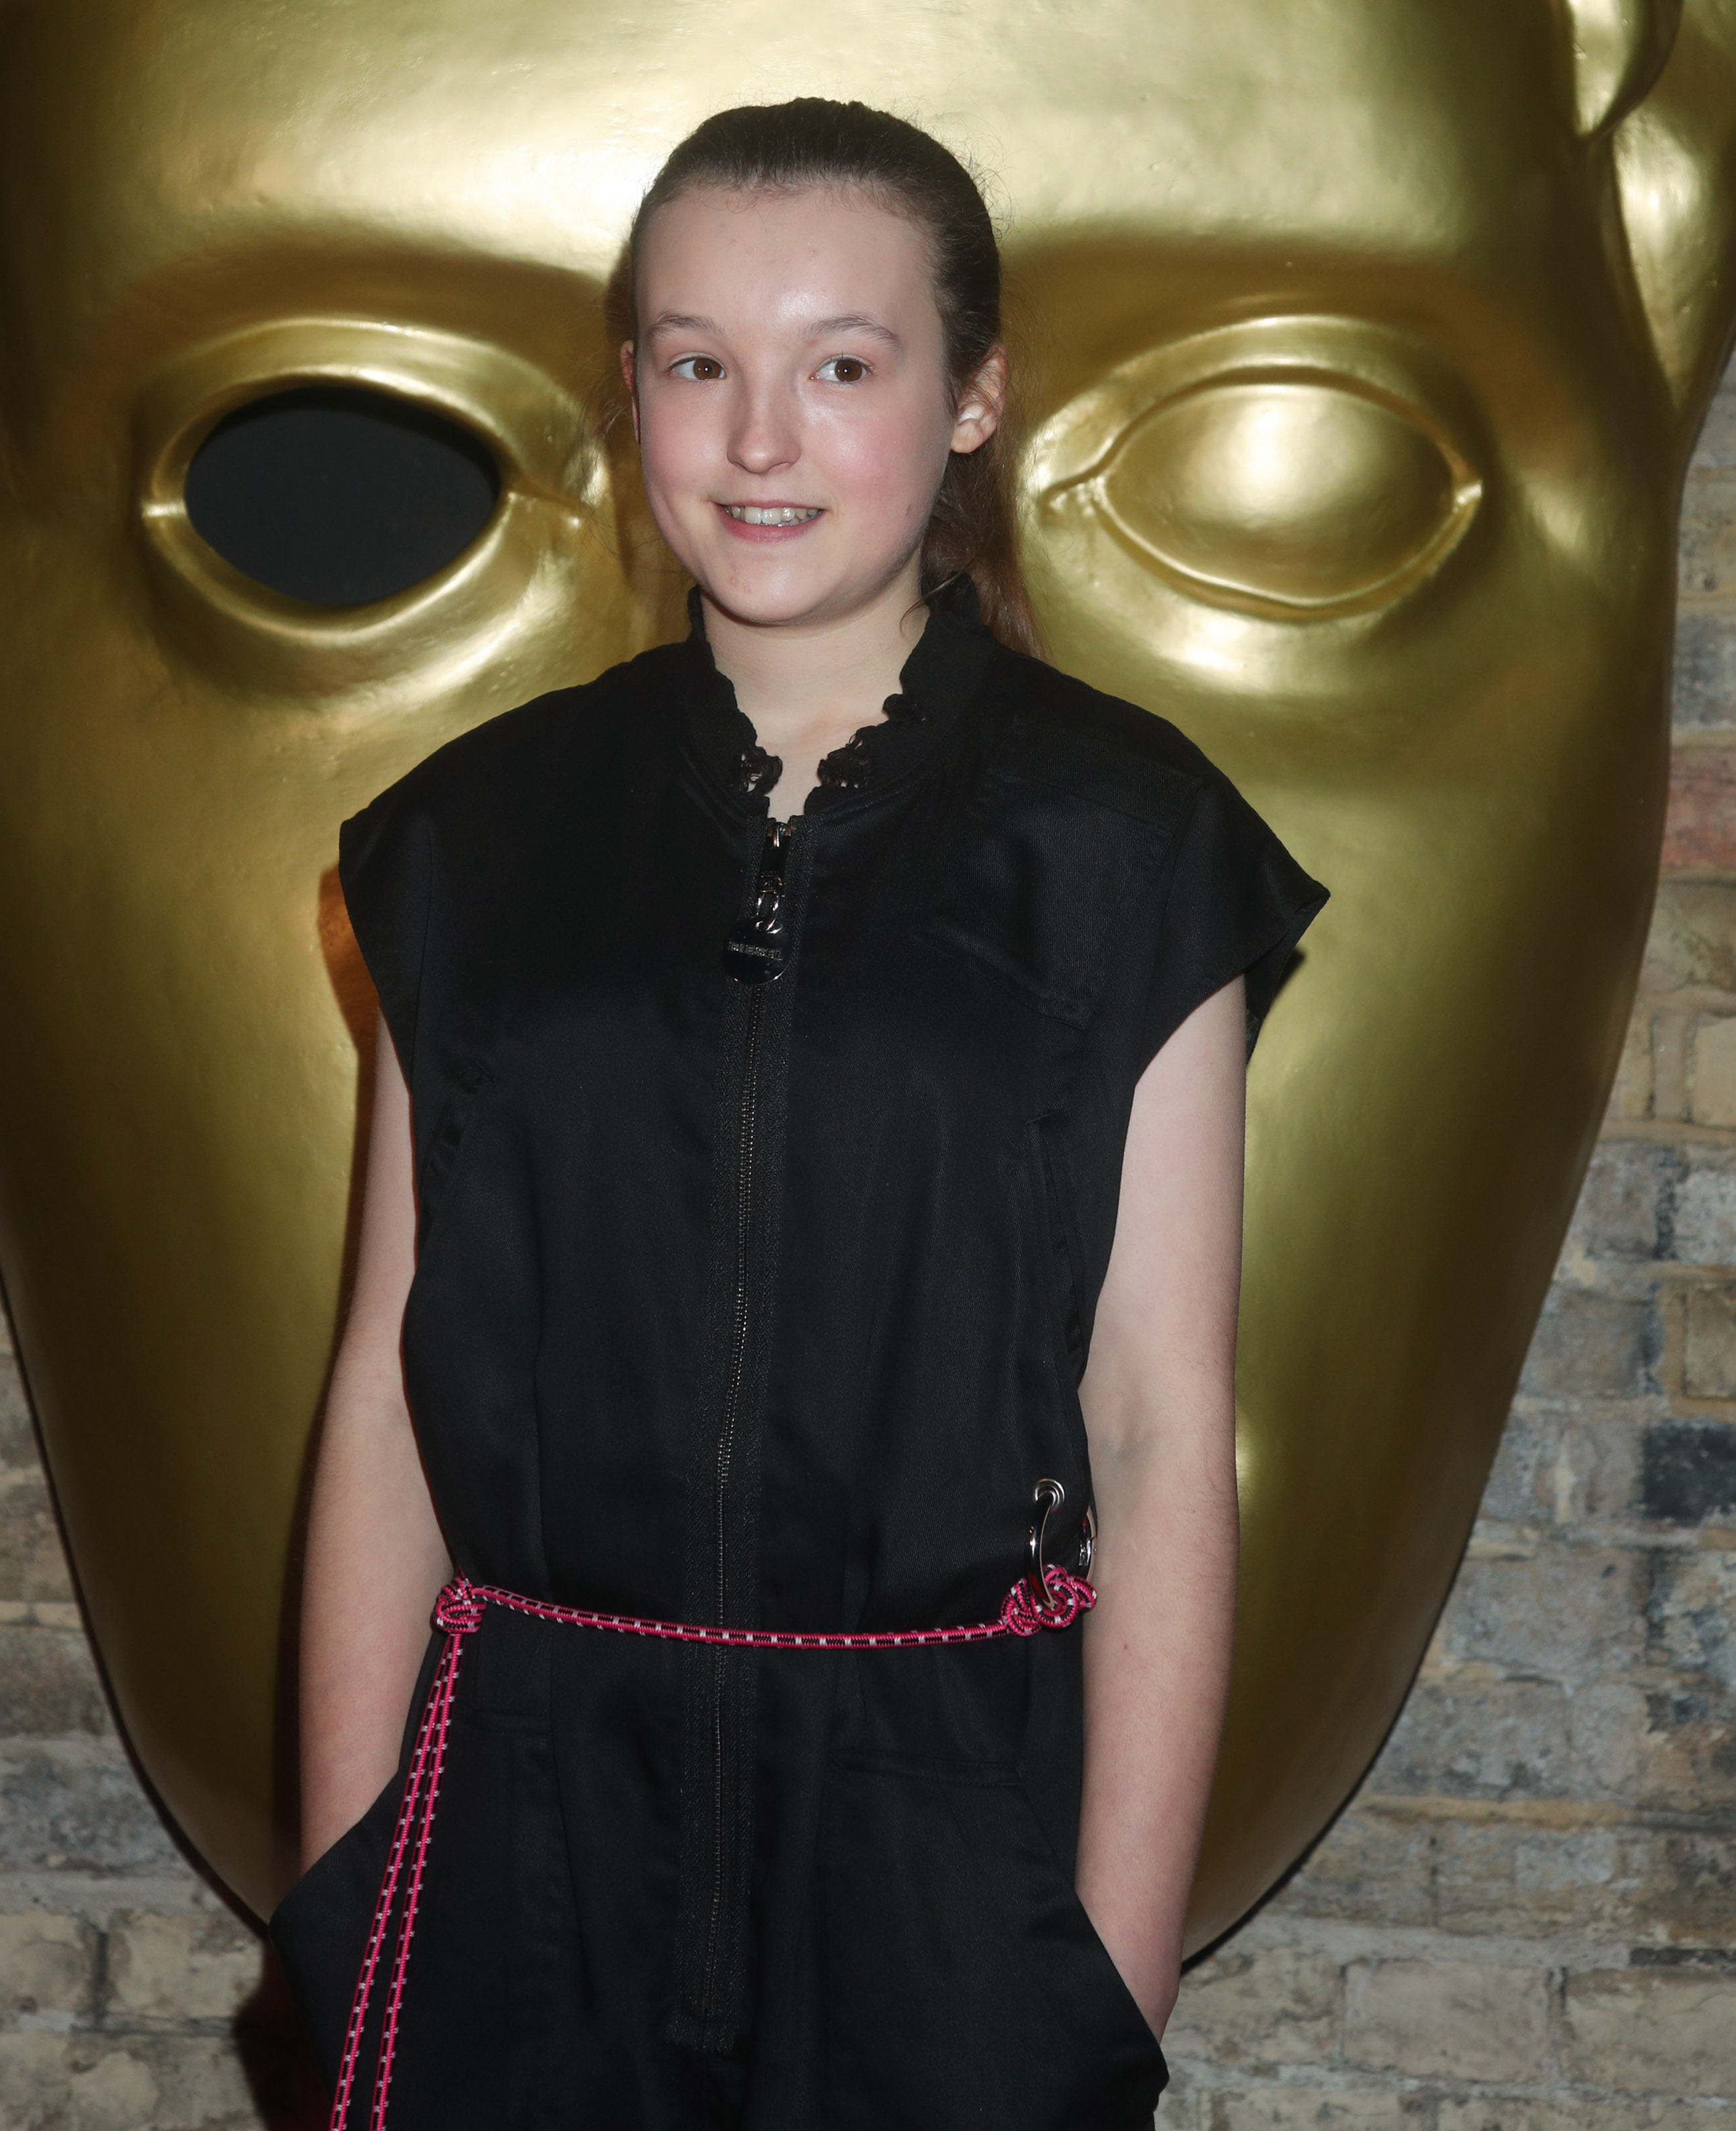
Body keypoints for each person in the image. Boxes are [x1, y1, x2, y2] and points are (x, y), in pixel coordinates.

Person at [272, 97, 1325, 2131]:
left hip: (943, 1860)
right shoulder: (469, 841)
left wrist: (1107, 1974)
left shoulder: (1127, 846)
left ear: (970, 398)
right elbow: (387, 1387)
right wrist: (347, 1889)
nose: (757, 440)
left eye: (840, 367)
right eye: (697, 365)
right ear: (634, 391)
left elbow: (1153, 1424)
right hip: (518, 1858)